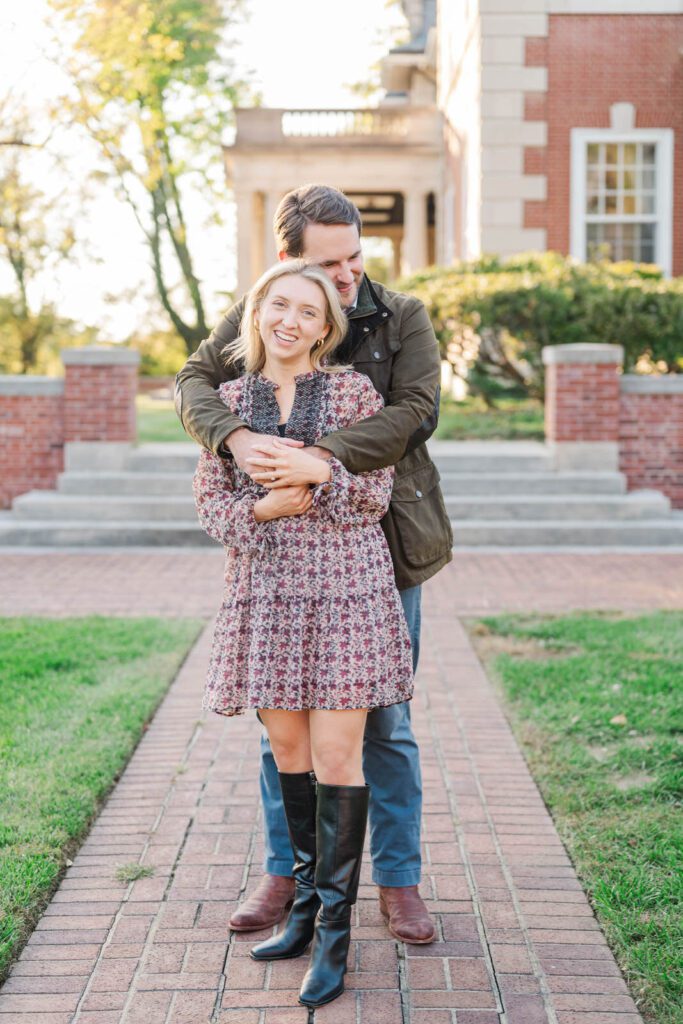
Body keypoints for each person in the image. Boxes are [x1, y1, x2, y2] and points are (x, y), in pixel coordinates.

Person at [176, 184, 453, 944]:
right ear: (287, 259)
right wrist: (235, 438)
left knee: (382, 726)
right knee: (285, 725)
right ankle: (288, 875)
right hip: (282, 557)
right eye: (327, 262)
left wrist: (317, 458)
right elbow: (192, 383)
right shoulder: (268, 305)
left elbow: (416, 411)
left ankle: (397, 881)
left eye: (354, 257)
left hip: (381, 543)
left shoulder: (400, 315)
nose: (344, 276)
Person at [193, 259, 414, 1007]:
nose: (290, 321)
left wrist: (319, 475)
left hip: (346, 594)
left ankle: (335, 938)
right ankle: (303, 911)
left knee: (336, 754)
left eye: (308, 313)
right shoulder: (228, 405)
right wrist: (262, 511)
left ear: (326, 330)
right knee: (287, 751)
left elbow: (373, 495)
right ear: (258, 312)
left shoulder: (353, 392)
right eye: (279, 305)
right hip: (268, 594)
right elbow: (212, 510)